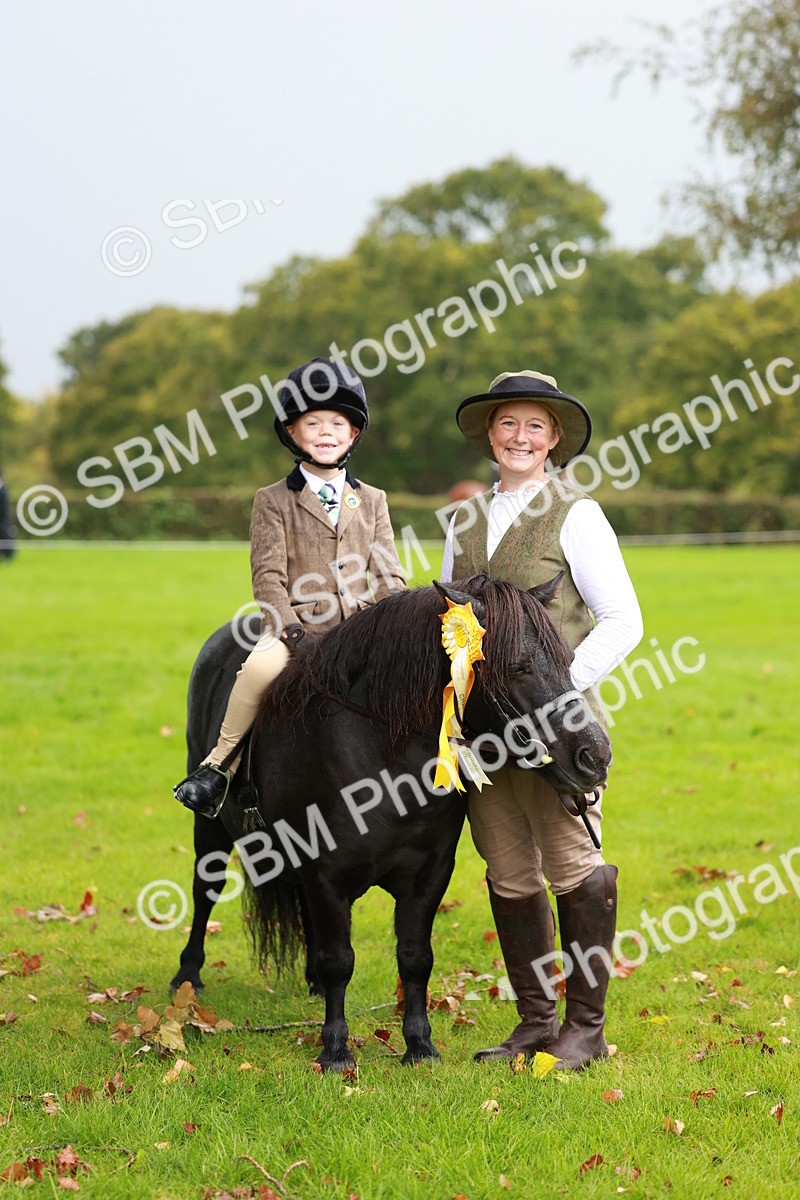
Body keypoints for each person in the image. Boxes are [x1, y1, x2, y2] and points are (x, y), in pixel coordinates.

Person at [441, 370, 643, 1070]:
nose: (520, 437)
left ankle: (586, 1029)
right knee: (507, 872)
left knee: (574, 868)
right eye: (508, 423)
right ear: (490, 434)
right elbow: (450, 626)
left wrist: (560, 691)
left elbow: (623, 620)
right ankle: (535, 1022)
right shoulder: (463, 522)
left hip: (559, 731)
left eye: (534, 425)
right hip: (483, 735)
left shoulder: (577, 514)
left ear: (553, 438)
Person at [174, 356, 406, 817]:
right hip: (296, 629)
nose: (326, 433)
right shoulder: (272, 500)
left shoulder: (374, 500)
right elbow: (268, 577)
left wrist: (399, 621)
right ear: (292, 433)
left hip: (361, 627)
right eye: (313, 423)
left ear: (353, 433)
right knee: (258, 670)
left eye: (337, 424)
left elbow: (388, 574)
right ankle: (218, 766)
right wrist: (291, 631)